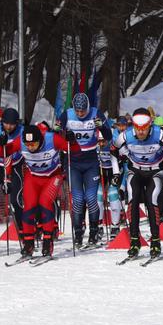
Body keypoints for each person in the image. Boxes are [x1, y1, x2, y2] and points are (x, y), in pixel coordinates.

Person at [110, 109, 163, 260]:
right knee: (132, 201)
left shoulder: (161, 135)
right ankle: (134, 240)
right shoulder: (125, 136)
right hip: (135, 170)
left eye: (144, 128)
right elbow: (113, 152)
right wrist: (116, 173)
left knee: (151, 199)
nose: (141, 132)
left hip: (156, 171)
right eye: (137, 128)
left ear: (150, 125)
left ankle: (155, 241)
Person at [4, 124, 68, 261]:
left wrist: (71, 141)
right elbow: (3, 152)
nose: (30, 147)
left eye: (33, 144)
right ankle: (28, 245)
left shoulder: (52, 139)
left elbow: (74, 150)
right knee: (28, 208)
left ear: (40, 140)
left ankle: (47, 242)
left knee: (45, 203)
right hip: (33, 177)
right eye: (28, 145)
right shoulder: (20, 141)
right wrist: (1, 144)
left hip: (52, 176)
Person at [61, 92, 111, 249]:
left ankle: (94, 233)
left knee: (90, 198)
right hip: (73, 162)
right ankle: (78, 234)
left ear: (88, 108)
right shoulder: (67, 115)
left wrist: (101, 126)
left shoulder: (96, 113)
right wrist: (64, 135)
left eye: (83, 111)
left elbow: (108, 135)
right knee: (77, 199)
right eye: (77, 111)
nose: (80, 113)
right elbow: (56, 135)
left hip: (91, 162)